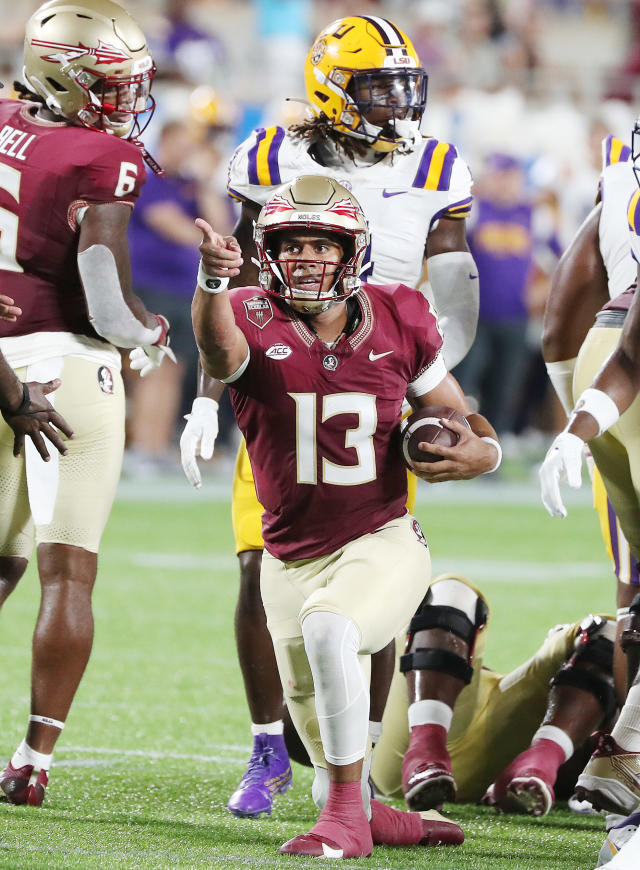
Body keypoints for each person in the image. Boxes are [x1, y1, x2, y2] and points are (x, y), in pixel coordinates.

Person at [180, 13, 480, 818]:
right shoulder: (269, 158)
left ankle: (360, 755)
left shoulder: (439, 168)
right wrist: (208, 400)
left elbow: (454, 293)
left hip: (377, 386)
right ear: (333, 90)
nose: (395, 105)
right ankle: (268, 744)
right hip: (276, 382)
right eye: (376, 88)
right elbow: (235, 285)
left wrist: (437, 389)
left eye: (401, 87)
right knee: (257, 563)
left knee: (371, 579)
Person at [191, 175, 501, 858]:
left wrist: (486, 450)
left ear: (352, 251)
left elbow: (451, 410)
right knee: (320, 735)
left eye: (321, 245)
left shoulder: (399, 312)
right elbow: (217, 353)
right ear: (266, 252)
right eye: (292, 244)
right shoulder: (245, 311)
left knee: (332, 630)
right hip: (287, 557)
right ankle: (375, 814)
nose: (306, 258)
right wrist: (212, 282)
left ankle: (342, 823)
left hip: (381, 537)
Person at [0, 0, 174, 807]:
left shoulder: (5, 117)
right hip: (62, 363)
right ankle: (33, 760)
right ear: (60, 76)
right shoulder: (101, 155)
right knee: (67, 572)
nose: (122, 101)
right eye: (107, 84)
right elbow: (103, 299)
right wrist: (147, 332)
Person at [539, 136, 640, 870]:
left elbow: (564, 313)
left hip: (602, 358)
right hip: (621, 368)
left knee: (635, 591)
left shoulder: (618, 174)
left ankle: (623, 759)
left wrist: (572, 409)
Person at [371, 573, 617, 817]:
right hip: (517, 760)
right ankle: (541, 761)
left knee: (452, 591)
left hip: (402, 752)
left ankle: (426, 749)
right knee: (611, 637)